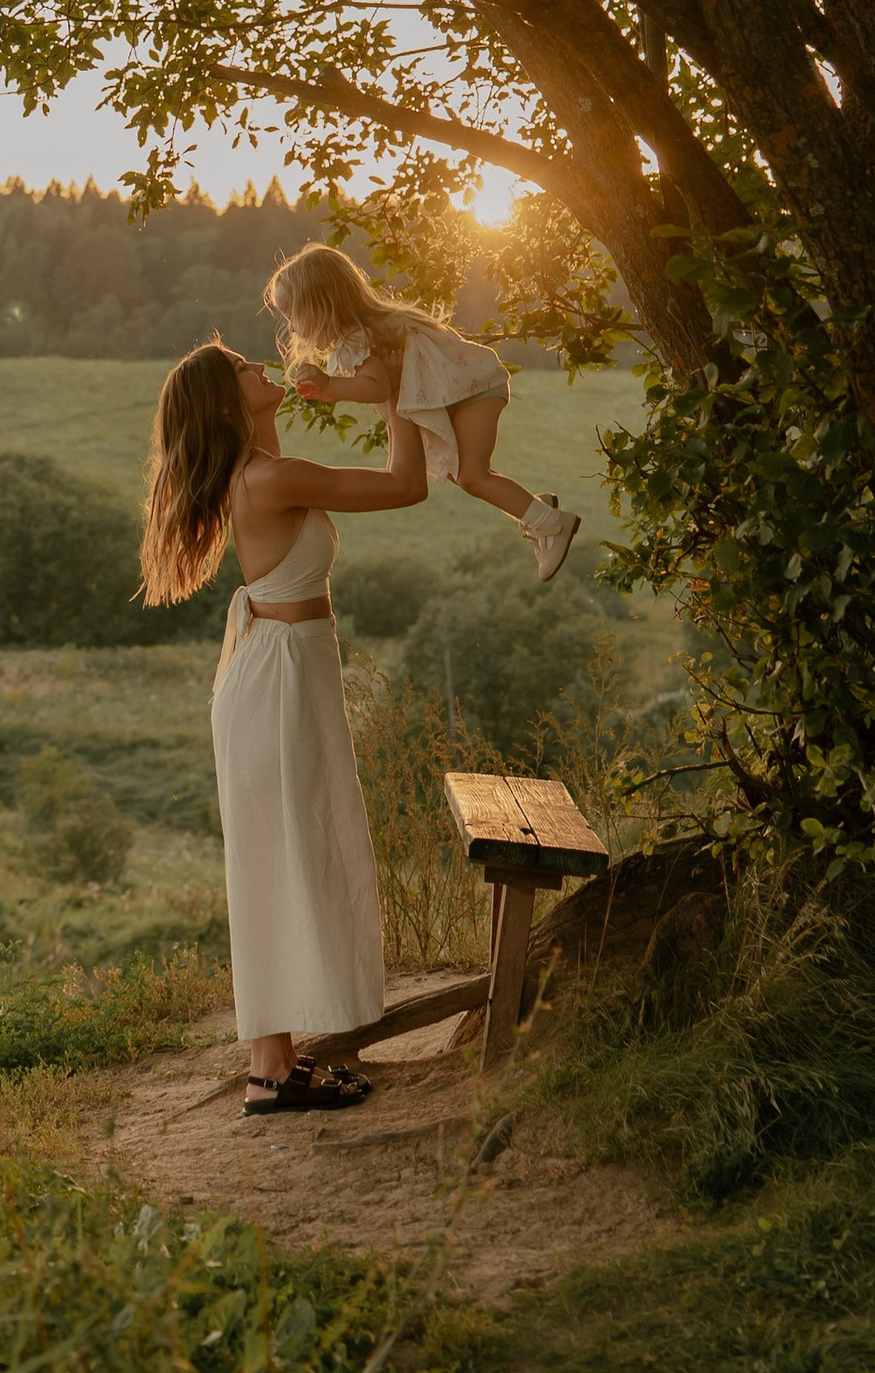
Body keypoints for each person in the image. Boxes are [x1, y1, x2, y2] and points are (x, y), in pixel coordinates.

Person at [140, 337, 429, 1117]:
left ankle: (277, 1063)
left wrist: (349, 387)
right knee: (280, 856)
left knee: (284, 854)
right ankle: (269, 1072)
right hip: (276, 684)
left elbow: (290, 441)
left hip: (282, 674)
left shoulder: (261, 466)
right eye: (241, 367)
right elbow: (407, 486)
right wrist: (398, 388)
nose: (257, 365)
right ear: (227, 402)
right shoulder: (269, 478)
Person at [264, 242, 580, 581]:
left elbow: (377, 389)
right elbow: (379, 385)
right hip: (466, 389)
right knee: (464, 472)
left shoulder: (357, 339)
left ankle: (551, 524)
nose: (292, 328)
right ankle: (535, 508)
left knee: (472, 475)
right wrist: (332, 391)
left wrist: (330, 384)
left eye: (292, 314)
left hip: (473, 390)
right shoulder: (369, 329)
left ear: (321, 304)